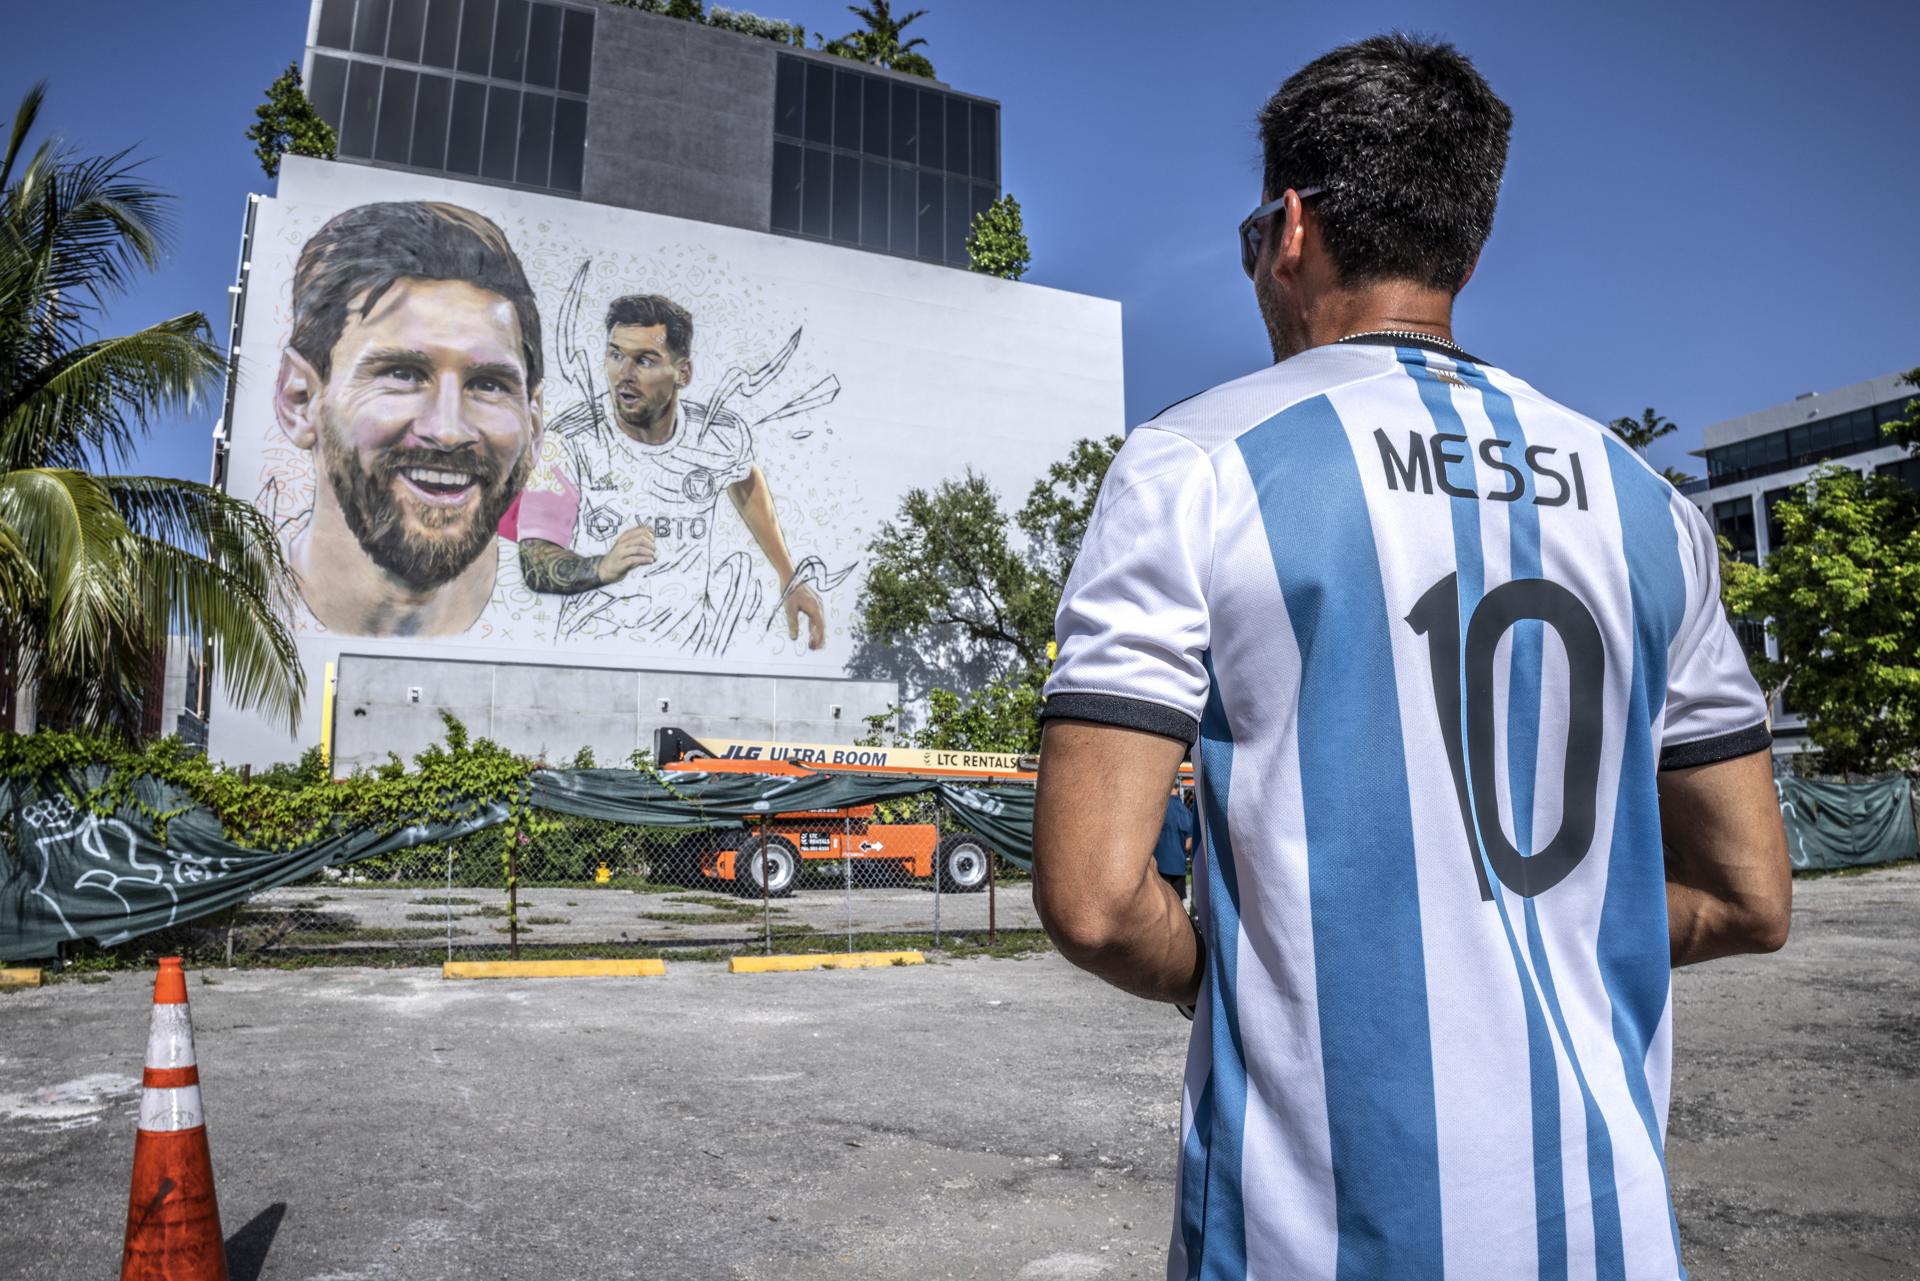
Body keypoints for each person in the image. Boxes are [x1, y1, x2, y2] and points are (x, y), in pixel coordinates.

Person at [1031, 35, 1791, 1281]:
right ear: (1467, 249)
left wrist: (1242, 972)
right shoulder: (1650, 504)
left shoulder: (1198, 465)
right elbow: (1752, 898)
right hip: (1608, 1235)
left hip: (1312, 1239)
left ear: (1288, 228)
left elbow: (1097, 897)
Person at [272, 201, 544, 638]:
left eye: (489, 384)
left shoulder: (576, 626)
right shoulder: (240, 610)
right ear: (299, 399)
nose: (448, 430)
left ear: (535, 422)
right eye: (402, 375)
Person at [513, 294, 827, 655]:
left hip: (696, 659)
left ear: (683, 373)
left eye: (645, 360)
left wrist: (789, 576)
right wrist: (602, 567)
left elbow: (746, 484)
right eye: (615, 355)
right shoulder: (570, 440)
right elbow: (533, 558)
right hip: (595, 656)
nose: (624, 376)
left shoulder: (718, 434)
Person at [1150, 784, 1194, 903]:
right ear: (1178, 792)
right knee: (1177, 904)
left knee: (1160, 903)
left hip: (1160, 867)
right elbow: (1188, 845)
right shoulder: (1187, 813)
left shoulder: (1159, 811)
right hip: (1179, 867)